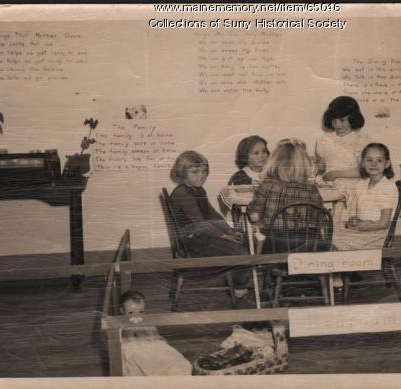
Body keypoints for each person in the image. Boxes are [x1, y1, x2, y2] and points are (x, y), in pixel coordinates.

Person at [169, 151, 251, 303]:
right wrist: (226, 237)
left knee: (243, 237)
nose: (201, 176)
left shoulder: (198, 190)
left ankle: (243, 279)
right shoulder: (183, 194)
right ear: (182, 172)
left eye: (204, 171)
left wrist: (230, 230)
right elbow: (201, 224)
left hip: (200, 236)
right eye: (195, 172)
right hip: (192, 244)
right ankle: (240, 288)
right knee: (238, 250)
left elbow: (212, 215)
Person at [247, 141, 326, 253]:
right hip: (308, 247)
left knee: (259, 238)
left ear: (274, 161)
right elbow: (320, 220)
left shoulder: (267, 185)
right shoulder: (311, 188)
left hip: (277, 247)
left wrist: (258, 219)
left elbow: (254, 216)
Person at [333, 143, 399, 251]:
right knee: (330, 229)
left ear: (387, 164)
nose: (374, 164)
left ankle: (344, 264)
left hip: (376, 235)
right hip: (363, 229)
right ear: (363, 163)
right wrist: (354, 220)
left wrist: (358, 227)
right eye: (369, 160)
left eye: (379, 160)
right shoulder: (361, 184)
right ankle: (341, 263)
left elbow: (383, 223)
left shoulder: (387, 187)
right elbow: (359, 213)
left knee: (334, 238)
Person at [315, 96, 371, 222]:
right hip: (329, 187)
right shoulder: (324, 140)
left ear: (352, 118)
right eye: (334, 120)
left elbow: (364, 171)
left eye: (342, 120)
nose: (337, 124)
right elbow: (321, 167)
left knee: (346, 226)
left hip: (353, 190)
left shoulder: (362, 140)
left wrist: (335, 174)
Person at [118, 290, 193, 376]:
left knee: (174, 360)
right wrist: (131, 331)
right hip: (134, 352)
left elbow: (155, 336)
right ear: (122, 310)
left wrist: (146, 331)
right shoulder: (120, 324)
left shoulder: (145, 321)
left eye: (141, 312)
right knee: (140, 362)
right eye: (130, 313)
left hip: (152, 348)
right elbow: (123, 342)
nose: (136, 316)